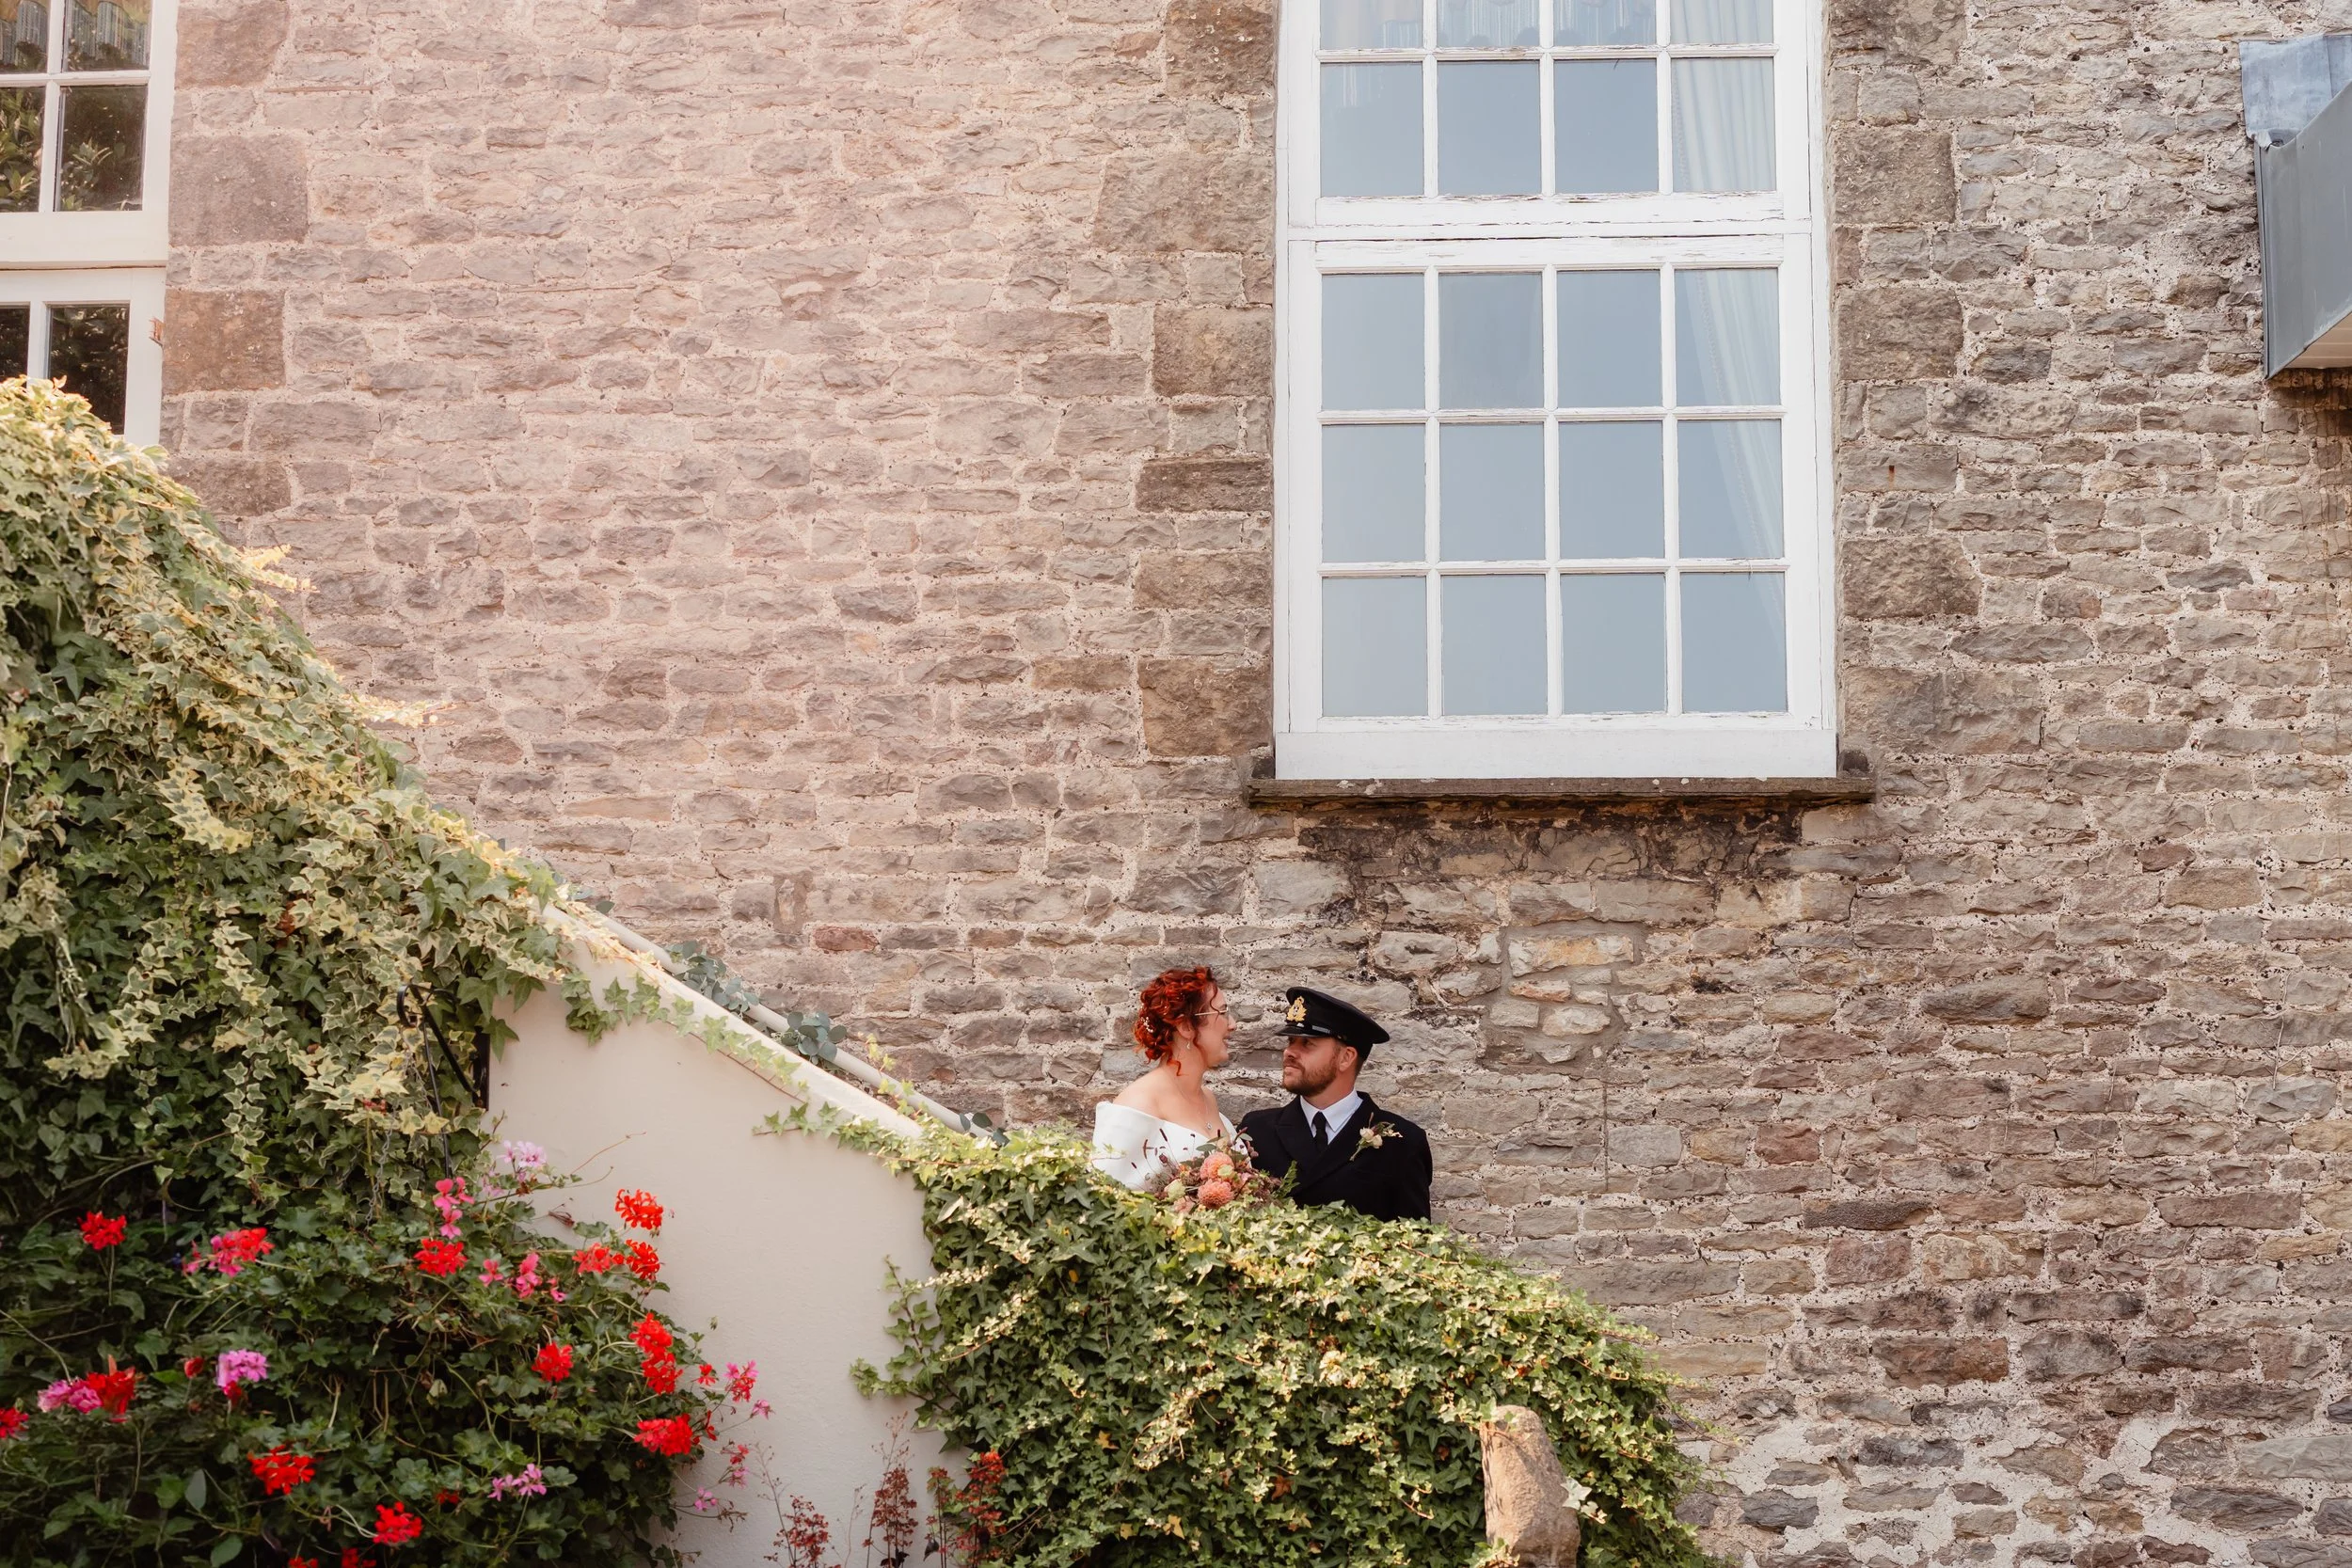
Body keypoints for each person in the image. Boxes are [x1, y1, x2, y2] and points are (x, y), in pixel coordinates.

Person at [1237, 986, 1431, 1222]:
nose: (1289, 1052)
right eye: (1291, 1041)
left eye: (1307, 1044)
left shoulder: (1402, 1142)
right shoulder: (1256, 1131)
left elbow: (1416, 1244)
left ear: (1346, 1057)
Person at [1090, 966, 1236, 1191]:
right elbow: (1103, 1199)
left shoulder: (1208, 1099)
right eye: (1223, 1012)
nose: (1233, 1025)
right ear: (1187, 1027)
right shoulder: (1139, 1103)